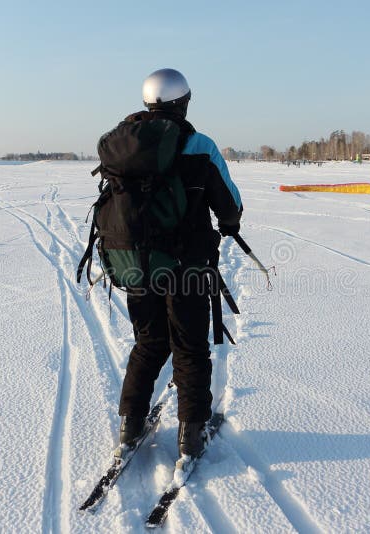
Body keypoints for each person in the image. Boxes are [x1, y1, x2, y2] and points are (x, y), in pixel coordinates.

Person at [115, 69, 243, 458]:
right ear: (183, 102)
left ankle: (129, 426)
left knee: (149, 343)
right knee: (189, 348)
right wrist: (229, 223)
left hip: (137, 264)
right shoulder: (200, 145)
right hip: (187, 266)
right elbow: (230, 204)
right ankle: (192, 434)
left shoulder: (125, 146)